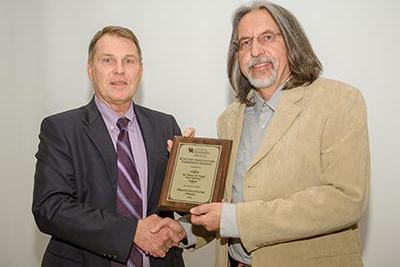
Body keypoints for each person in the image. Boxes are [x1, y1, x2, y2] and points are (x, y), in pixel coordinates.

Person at [176, 2, 370, 267]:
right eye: (244, 43)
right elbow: (226, 203)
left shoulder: (339, 101)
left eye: (267, 37)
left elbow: (346, 199)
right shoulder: (230, 118)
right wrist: (182, 228)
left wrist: (235, 219)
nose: (255, 51)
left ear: (292, 42)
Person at [32, 26, 188, 267]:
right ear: (90, 70)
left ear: (140, 70)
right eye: (108, 60)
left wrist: (192, 166)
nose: (119, 70)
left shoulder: (165, 125)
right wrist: (132, 232)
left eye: (129, 61)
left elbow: (180, 204)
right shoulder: (60, 129)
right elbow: (50, 208)